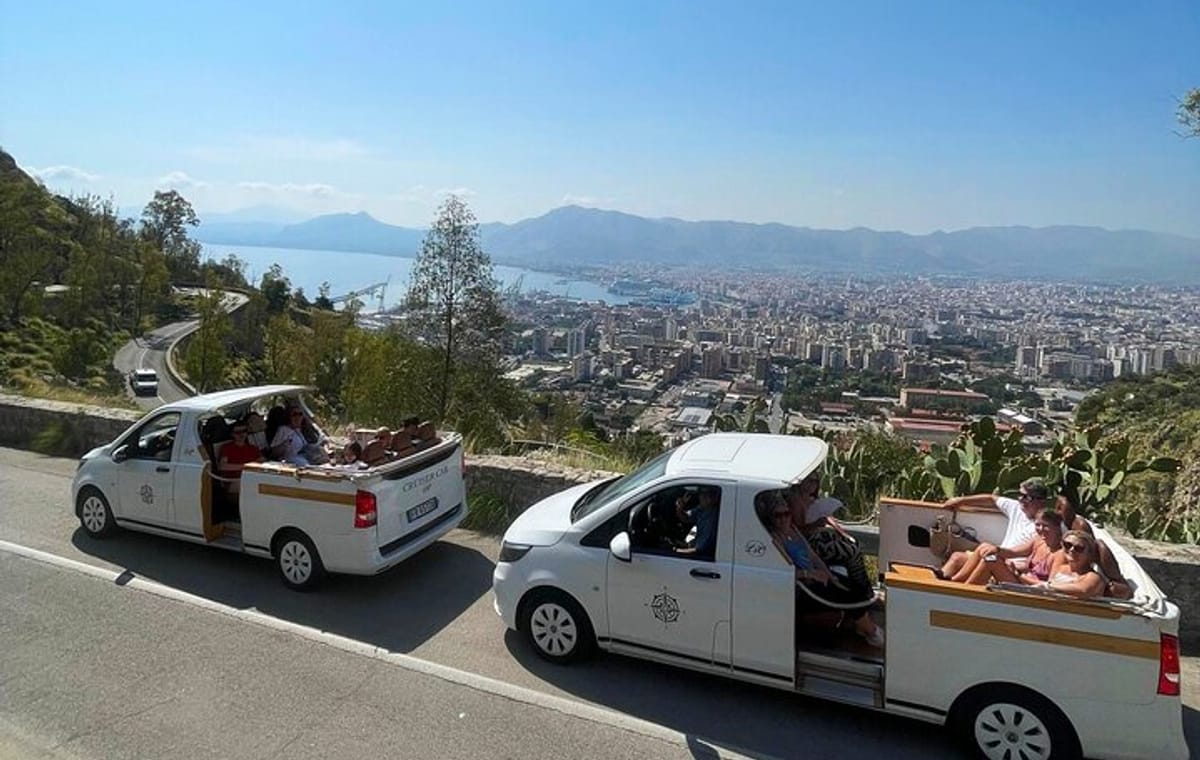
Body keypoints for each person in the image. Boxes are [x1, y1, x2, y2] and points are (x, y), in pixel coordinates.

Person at [784, 479, 883, 647]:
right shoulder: (785, 526)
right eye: (780, 515)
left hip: (812, 554)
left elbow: (812, 554)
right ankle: (868, 624)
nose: (783, 519)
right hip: (808, 564)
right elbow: (800, 538)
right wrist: (811, 573)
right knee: (849, 559)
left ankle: (863, 598)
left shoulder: (796, 523)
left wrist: (827, 572)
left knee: (851, 554)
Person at [939, 477, 1047, 582]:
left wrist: (1016, 567)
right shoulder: (1016, 508)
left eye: (1026, 497)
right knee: (957, 558)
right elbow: (991, 499)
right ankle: (940, 582)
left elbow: (1037, 563)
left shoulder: (1045, 529)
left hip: (1012, 568)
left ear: (1041, 501)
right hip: (1001, 557)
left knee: (990, 560)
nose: (1021, 500)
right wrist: (959, 501)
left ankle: (956, 584)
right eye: (1020, 495)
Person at [966, 508, 1064, 586]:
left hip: (1032, 590)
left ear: (1057, 527)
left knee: (991, 561)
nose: (1041, 529)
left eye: (1046, 526)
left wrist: (1018, 574)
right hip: (1022, 580)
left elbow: (1050, 586)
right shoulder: (1039, 541)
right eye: (1038, 525)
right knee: (987, 551)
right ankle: (960, 586)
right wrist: (997, 550)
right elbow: (1013, 552)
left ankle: (966, 591)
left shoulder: (1060, 554)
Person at [1040, 530, 1106, 599]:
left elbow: (1083, 590)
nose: (1072, 550)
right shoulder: (1061, 568)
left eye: (1079, 548)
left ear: (1089, 553)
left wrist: (1048, 586)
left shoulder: (1093, 577)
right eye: (1067, 545)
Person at [218, 422, 263, 499]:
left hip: (252, 479)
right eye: (237, 432)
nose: (241, 434)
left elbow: (262, 462)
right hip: (235, 481)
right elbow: (223, 466)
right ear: (232, 434)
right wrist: (245, 466)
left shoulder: (253, 448)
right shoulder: (227, 448)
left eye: (244, 431)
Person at [676, 486, 720, 559]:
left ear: (713, 498)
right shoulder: (703, 509)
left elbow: (699, 551)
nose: (700, 497)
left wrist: (675, 551)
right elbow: (686, 518)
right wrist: (680, 508)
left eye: (704, 494)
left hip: (701, 558)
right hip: (692, 545)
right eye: (700, 494)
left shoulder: (712, 520)